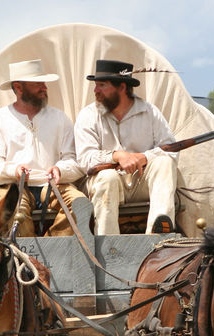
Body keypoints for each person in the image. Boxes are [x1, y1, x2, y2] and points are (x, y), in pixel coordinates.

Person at [0, 59, 84, 237]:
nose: (44, 87)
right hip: (15, 186)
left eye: (44, 83)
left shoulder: (59, 118)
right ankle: (28, 260)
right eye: (38, 83)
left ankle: (53, 251)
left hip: (53, 185)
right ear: (19, 87)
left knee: (80, 205)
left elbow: (74, 160)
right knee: (15, 211)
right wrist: (14, 170)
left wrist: (60, 169)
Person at [74, 59, 179, 235]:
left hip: (140, 181)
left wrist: (143, 157)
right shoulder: (88, 115)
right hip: (105, 183)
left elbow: (171, 150)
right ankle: (108, 248)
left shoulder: (149, 112)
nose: (95, 91)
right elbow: (85, 159)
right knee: (107, 177)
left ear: (122, 87)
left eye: (102, 85)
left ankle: (159, 238)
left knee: (164, 163)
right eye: (96, 85)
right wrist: (117, 156)